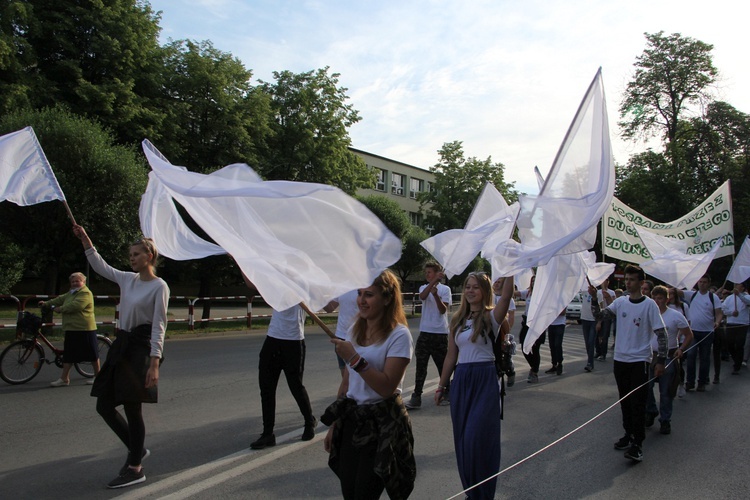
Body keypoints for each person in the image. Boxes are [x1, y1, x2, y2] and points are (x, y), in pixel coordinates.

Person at [72, 225, 169, 489]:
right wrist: (86, 240)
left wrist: (154, 362)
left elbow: (160, 325)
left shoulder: (160, 286)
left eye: (137, 254)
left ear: (149, 256)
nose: (132, 258)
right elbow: (101, 265)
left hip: (141, 348)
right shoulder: (128, 279)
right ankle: (136, 448)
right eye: (131, 255)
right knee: (104, 404)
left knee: (132, 406)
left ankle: (135, 467)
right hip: (122, 345)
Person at [323, 270, 415, 500]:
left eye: (369, 295)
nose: (361, 301)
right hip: (353, 421)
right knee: (349, 492)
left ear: (387, 298)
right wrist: (335, 424)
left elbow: (386, 387)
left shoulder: (399, 335)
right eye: (360, 294)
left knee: (365, 494)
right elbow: (347, 384)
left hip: (382, 425)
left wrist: (354, 359)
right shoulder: (355, 330)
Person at [435, 272, 513, 499]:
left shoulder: (491, 317)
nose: (470, 291)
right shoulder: (457, 320)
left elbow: (506, 298)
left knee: (476, 440)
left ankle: (484, 493)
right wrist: (441, 386)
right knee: (462, 441)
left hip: (485, 380)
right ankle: (471, 491)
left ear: (485, 291)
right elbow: (451, 356)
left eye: (475, 287)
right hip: (461, 381)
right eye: (467, 286)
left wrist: (511, 268)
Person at [593, 265, 667, 463]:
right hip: (621, 359)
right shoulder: (621, 302)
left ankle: (638, 444)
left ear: (641, 283)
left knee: (637, 402)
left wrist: (660, 361)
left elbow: (661, 334)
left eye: (632, 279)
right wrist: (594, 297)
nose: (628, 282)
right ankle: (628, 434)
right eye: (626, 279)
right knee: (624, 400)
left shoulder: (649, 305)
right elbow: (601, 316)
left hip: (640, 360)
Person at [241, 275, 317, 450]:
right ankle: (268, 434)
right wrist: (238, 260)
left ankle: (309, 421)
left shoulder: (303, 281)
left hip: (293, 341)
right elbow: (253, 283)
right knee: (266, 389)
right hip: (273, 339)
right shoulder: (277, 278)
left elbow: (306, 300)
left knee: (296, 386)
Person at [645, 286, 693, 435]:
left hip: (668, 356)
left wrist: (681, 348)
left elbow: (688, 334)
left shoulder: (676, 315)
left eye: (660, 298)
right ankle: (651, 410)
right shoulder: (648, 314)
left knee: (666, 391)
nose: (657, 301)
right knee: (646, 387)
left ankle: (665, 420)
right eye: (654, 298)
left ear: (667, 299)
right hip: (650, 355)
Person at [40, 272, 100, 387]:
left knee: (92, 354)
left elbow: (76, 306)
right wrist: (46, 304)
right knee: (69, 354)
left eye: (78, 281)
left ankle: (98, 376)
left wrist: (60, 309)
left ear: (83, 282)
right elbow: (59, 299)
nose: (75, 283)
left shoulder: (85, 293)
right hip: (72, 328)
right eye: (73, 282)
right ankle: (64, 379)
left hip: (84, 328)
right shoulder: (71, 293)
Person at [406, 262, 452, 409]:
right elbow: (422, 296)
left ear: (437, 273)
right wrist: (432, 283)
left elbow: (443, 310)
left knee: (442, 366)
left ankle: (447, 392)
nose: (427, 275)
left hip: (440, 333)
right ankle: (416, 396)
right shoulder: (423, 287)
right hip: (425, 332)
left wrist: (436, 294)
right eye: (426, 273)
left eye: (430, 272)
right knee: (421, 366)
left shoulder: (445, 289)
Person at [681, 274, 723, 391]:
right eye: (700, 282)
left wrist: (717, 322)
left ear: (708, 283)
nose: (702, 284)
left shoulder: (713, 297)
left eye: (704, 282)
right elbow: (677, 292)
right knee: (691, 356)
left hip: (707, 332)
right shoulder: (692, 295)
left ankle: (702, 382)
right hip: (693, 331)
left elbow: (719, 313)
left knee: (704, 358)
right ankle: (690, 382)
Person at [323, 289, 359, 376]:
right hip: (341, 336)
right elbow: (330, 308)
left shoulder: (365, 286)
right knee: (345, 377)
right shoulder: (342, 286)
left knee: (358, 375)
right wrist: (317, 295)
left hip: (359, 336)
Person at [516, 275, 544, 383]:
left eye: (535, 281)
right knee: (524, 346)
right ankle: (533, 367)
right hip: (526, 323)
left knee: (535, 349)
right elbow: (514, 293)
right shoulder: (528, 293)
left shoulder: (541, 294)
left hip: (537, 324)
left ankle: (534, 372)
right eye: (532, 281)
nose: (533, 282)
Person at [720, 281, 750, 375]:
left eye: (739, 286)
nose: (736, 287)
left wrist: (739, 295)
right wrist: (731, 313)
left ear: (743, 288)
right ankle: (737, 359)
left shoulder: (747, 296)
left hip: (742, 324)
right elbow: (723, 308)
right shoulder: (729, 298)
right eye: (736, 285)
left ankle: (737, 366)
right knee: (730, 343)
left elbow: (748, 302)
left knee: (740, 344)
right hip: (731, 323)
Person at [493, 277, 516, 384]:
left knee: (505, 355)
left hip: (502, 329)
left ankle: (510, 371)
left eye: (499, 282)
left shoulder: (508, 300)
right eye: (495, 282)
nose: (497, 284)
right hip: (492, 329)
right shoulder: (489, 296)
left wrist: (507, 333)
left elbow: (510, 316)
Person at [595, 278, 616, 361]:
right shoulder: (598, 292)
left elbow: (613, 303)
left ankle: (603, 354)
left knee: (605, 335)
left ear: (608, 282)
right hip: (600, 315)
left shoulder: (611, 292)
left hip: (607, 316)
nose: (604, 282)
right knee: (597, 335)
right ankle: (598, 351)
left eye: (606, 281)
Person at [580, 284, 598, 372]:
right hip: (584, 319)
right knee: (587, 343)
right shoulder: (584, 292)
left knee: (591, 342)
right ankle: (590, 360)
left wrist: (600, 322)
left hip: (593, 321)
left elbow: (600, 308)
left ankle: (590, 363)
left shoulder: (599, 294)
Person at [544, 309, 566, 376]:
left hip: (560, 324)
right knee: (552, 345)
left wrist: (552, 312)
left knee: (558, 344)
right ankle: (554, 365)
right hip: (551, 324)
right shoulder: (550, 299)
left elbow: (563, 312)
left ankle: (559, 363)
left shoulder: (562, 299)